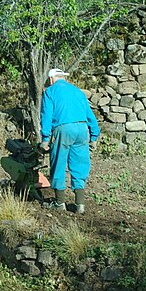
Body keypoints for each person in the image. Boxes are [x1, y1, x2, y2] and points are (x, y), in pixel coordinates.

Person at [39, 68, 100, 214]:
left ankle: (60, 202)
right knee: (80, 165)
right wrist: (94, 136)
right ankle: (80, 204)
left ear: (51, 79)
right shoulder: (78, 91)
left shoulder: (50, 92)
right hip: (82, 129)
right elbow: (89, 114)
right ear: (63, 78)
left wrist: (45, 139)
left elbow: (46, 116)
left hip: (63, 129)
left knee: (58, 163)